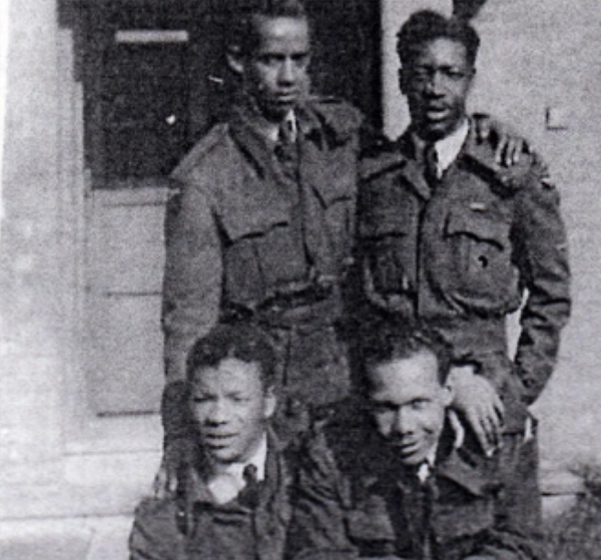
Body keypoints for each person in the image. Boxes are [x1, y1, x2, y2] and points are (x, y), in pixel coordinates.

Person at [159, 0, 530, 477]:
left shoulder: (342, 133)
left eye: (301, 59)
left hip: (353, 374)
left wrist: (481, 128)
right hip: (271, 387)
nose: (289, 76)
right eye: (272, 60)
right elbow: (188, 325)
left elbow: (418, 160)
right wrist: (180, 435)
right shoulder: (205, 179)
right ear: (239, 61)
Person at [357, 10, 571, 540]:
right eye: (423, 72)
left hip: (487, 411)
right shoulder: (375, 178)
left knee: (493, 543)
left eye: (451, 73)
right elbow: (360, 300)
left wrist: (516, 392)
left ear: (470, 79)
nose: (435, 88)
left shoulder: (509, 176)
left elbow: (551, 294)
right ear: (404, 77)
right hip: (401, 409)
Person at [286, 318, 539, 560]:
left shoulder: (502, 444)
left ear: (448, 391)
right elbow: (319, 553)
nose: (403, 427)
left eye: (418, 404)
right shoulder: (331, 454)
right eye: (386, 408)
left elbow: (522, 545)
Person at [130, 321, 292, 560]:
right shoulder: (165, 514)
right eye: (204, 399)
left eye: (237, 400)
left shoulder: (307, 481)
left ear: (268, 402)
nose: (218, 417)